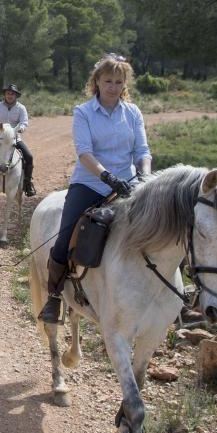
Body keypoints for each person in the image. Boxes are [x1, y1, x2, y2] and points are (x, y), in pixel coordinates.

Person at [38, 53, 152, 324]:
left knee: (161, 226)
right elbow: (84, 153)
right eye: (108, 80)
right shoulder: (84, 112)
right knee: (65, 237)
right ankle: (54, 297)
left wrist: (145, 178)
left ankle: (173, 294)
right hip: (91, 183)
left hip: (129, 185)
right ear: (97, 82)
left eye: (118, 81)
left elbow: (142, 150)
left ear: (124, 83)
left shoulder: (133, 112)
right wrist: (108, 177)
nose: (113, 86)